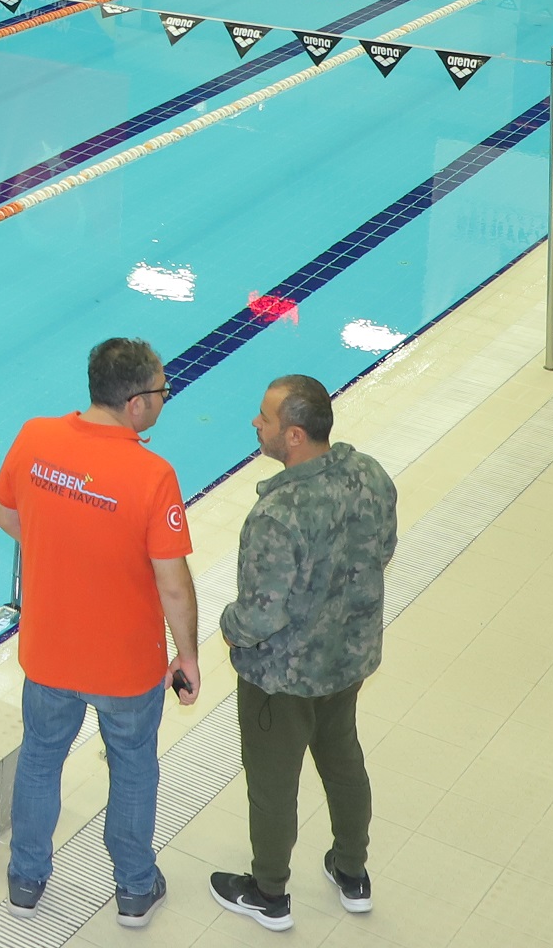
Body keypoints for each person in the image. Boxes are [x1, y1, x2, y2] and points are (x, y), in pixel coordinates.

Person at [0, 336, 200, 922]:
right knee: (132, 768)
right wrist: (187, 656)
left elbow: (4, 514)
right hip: (125, 667)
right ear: (136, 403)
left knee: (40, 759)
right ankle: (133, 889)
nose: (164, 399)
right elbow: (173, 585)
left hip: (49, 652)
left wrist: (63, 547)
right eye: (162, 391)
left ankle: (25, 881)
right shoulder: (152, 474)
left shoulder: (35, 437)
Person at [208, 374, 397, 931]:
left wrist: (227, 628)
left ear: (293, 435)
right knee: (342, 760)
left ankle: (269, 893)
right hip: (348, 659)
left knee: (273, 784)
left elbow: (260, 616)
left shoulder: (278, 512)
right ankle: (352, 871)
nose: (255, 423)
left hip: (283, 678)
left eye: (264, 418)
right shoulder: (369, 474)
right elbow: (383, 549)